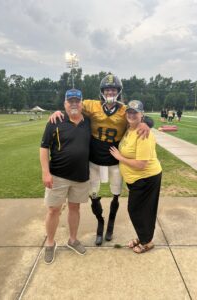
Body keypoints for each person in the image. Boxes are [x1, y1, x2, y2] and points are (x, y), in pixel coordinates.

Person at [50, 74, 153, 246]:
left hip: (114, 161)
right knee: (94, 194)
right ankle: (100, 222)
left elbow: (143, 117)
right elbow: (73, 107)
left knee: (116, 194)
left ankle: (111, 223)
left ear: (119, 92)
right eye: (107, 89)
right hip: (94, 160)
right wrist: (58, 112)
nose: (110, 92)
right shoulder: (92, 105)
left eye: (113, 89)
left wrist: (145, 123)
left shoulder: (124, 110)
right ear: (102, 91)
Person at [40, 89, 91, 264]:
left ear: (82, 103)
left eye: (77, 101)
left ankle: (73, 239)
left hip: (81, 176)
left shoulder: (89, 122)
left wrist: (145, 122)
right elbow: (44, 148)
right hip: (58, 176)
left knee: (75, 208)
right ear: (65, 104)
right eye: (71, 101)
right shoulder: (55, 121)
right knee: (53, 209)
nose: (74, 104)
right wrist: (45, 172)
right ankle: (50, 243)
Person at [110, 100, 162, 254]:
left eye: (135, 112)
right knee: (141, 210)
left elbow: (141, 164)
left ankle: (147, 242)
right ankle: (143, 237)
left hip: (147, 178)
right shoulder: (130, 128)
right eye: (129, 112)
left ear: (142, 115)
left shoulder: (143, 134)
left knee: (137, 210)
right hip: (137, 180)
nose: (131, 115)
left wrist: (120, 157)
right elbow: (118, 102)